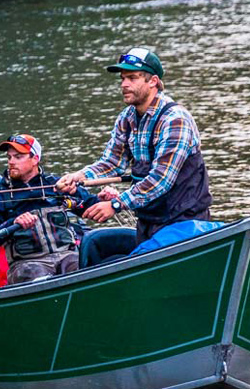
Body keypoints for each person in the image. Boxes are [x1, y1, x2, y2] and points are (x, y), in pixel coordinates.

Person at [56, 46, 213, 247]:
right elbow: (111, 163)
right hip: (148, 220)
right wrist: (79, 177)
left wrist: (116, 204)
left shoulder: (175, 120)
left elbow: (161, 180)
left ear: (153, 81)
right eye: (122, 79)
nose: (124, 84)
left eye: (132, 78)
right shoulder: (127, 118)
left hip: (185, 222)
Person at [0, 133, 91, 284]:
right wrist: (12, 223)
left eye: (18, 157)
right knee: (37, 275)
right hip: (26, 264)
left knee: (85, 267)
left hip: (67, 256)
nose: (11, 162)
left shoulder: (57, 185)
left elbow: (90, 206)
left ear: (35, 159)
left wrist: (107, 198)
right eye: (9, 157)